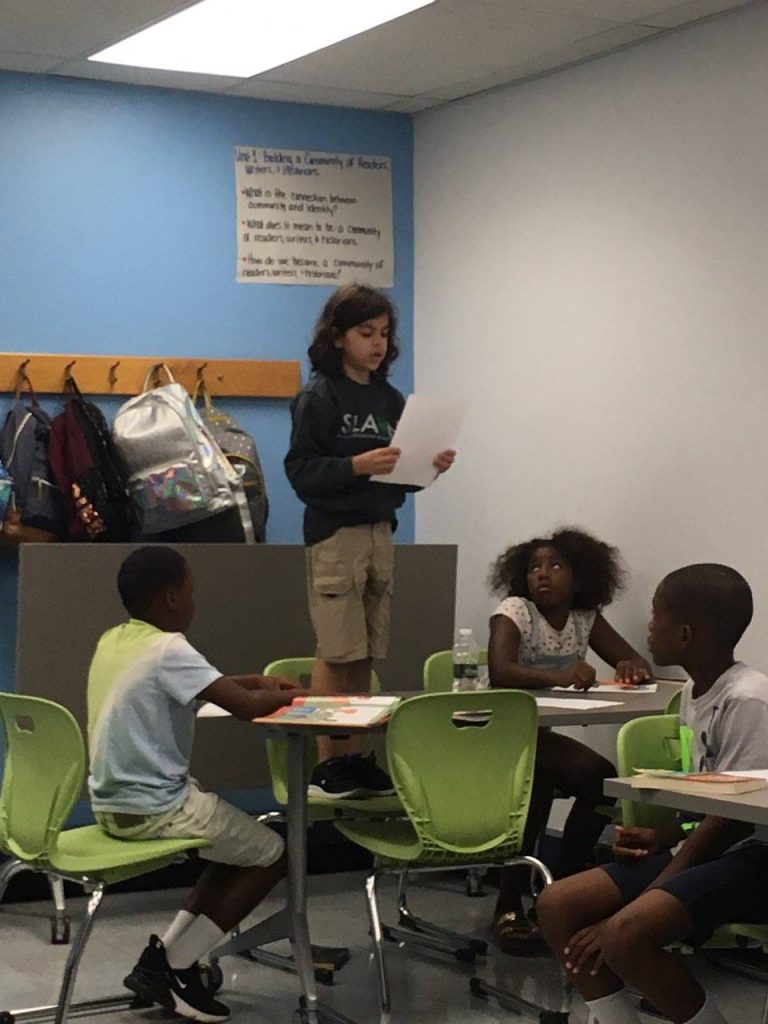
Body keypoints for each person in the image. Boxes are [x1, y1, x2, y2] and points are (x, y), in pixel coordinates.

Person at [537, 563, 768, 1024]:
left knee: (624, 935)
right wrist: (664, 835)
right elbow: (709, 797)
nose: (648, 626)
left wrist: (653, 893)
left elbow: (736, 816)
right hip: (709, 851)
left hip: (754, 859)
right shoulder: (692, 693)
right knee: (557, 904)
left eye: (655, 615)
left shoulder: (747, 701)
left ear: (684, 633)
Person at [87, 546, 305, 1023]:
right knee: (274, 853)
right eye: (191, 589)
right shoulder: (170, 648)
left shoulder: (118, 639)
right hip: (156, 807)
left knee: (234, 847)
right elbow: (246, 708)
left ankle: (162, 956)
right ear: (170, 598)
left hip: (111, 804)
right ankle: (178, 965)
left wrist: (251, 680)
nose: (193, 599)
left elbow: (209, 685)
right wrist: (310, 694)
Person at [285, 283, 455, 798]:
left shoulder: (389, 399)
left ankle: (353, 755)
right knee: (336, 653)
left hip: (381, 530)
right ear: (338, 337)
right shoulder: (320, 394)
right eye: (366, 333)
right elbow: (301, 471)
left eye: (384, 334)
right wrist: (355, 464)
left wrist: (429, 467)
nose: (377, 344)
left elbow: (398, 475)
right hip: (337, 535)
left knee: (364, 654)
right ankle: (325, 761)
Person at [488, 527, 652, 955]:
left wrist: (633, 668)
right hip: (496, 733)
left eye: (555, 566)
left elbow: (629, 658)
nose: (542, 575)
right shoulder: (515, 611)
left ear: (579, 579)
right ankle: (508, 903)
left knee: (600, 778)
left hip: (538, 734)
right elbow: (502, 671)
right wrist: (558, 676)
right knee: (537, 783)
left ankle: (561, 884)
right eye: (533, 568)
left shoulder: (585, 617)